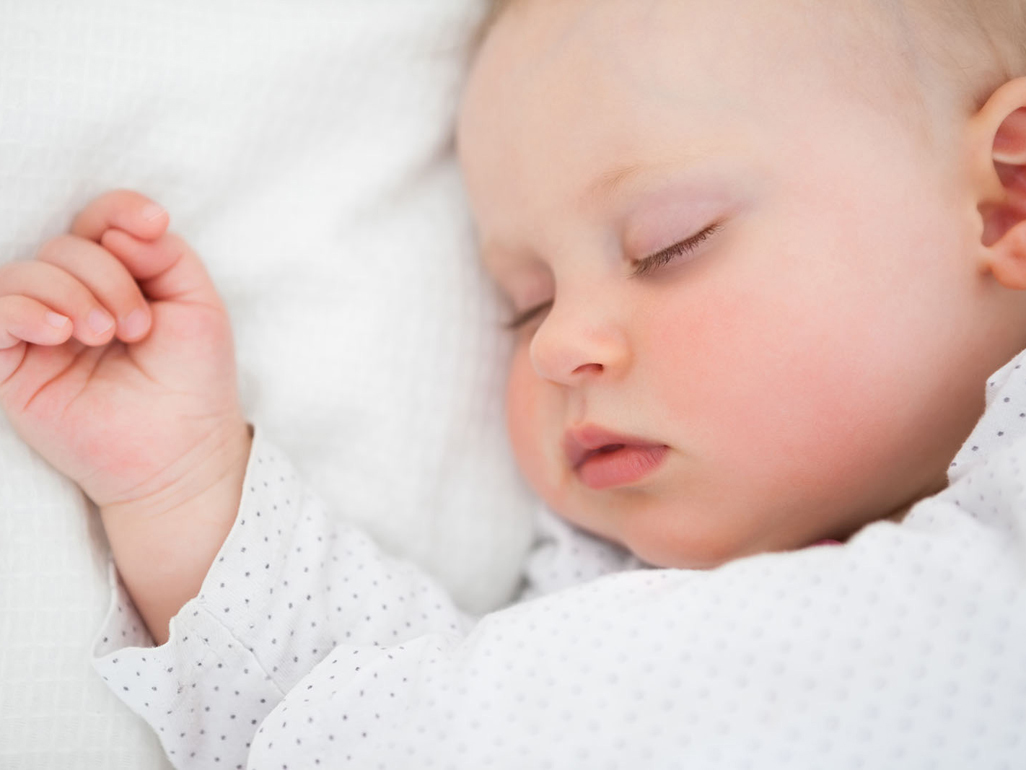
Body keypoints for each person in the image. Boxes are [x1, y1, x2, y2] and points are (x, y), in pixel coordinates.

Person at [2, 0, 1026, 767]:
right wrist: (181, 483)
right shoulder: (587, 609)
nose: (557, 345)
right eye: (524, 303)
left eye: (670, 245)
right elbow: (337, 712)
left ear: (1005, 202)